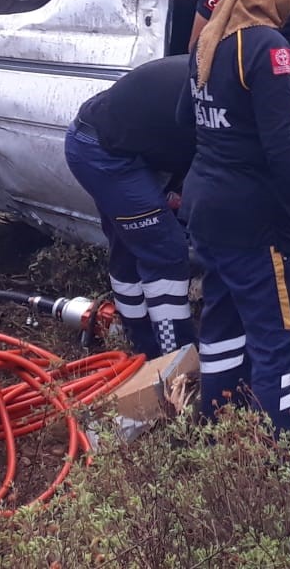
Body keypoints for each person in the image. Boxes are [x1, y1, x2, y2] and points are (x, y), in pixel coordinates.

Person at [178, 0, 290, 426]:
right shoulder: (267, 47)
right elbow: (284, 148)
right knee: (280, 337)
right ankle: (282, 453)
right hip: (258, 221)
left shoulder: (209, 40)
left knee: (222, 325)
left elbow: (184, 118)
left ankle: (219, 432)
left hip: (207, 209)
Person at [64, 58, 196, 358]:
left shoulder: (221, 72)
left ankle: (139, 343)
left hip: (119, 144)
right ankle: (174, 356)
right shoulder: (217, 91)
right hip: (103, 152)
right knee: (166, 252)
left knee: (129, 247)